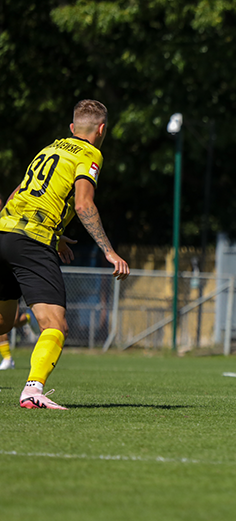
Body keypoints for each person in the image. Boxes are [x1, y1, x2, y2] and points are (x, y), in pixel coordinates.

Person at [1, 99, 130, 409]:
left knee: (3, 323)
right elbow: (84, 204)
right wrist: (109, 252)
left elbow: (19, 192)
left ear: (72, 128)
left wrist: (55, 234)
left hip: (4, 230)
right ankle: (33, 390)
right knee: (55, 326)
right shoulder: (90, 153)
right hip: (31, 241)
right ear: (102, 130)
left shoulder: (48, 149)